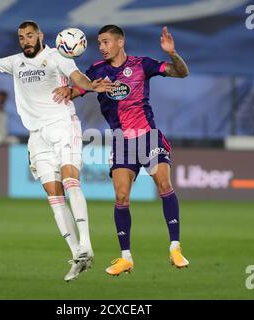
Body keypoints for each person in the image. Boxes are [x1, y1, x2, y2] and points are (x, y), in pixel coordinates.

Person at [0, 20, 113, 281]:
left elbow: (78, 78)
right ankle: (78, 254)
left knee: (70, 180)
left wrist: (91, 86)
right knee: (54, 197)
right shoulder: (15, 62)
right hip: (37, 136)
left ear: (40, 35)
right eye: (22, 37)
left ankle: (86, 243)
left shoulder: (57, 56)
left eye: (30, 36)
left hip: (63, 125)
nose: (26, 41)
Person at [54, 25, 190, 276]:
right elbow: (80, 88)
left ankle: (175, 247)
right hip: (121, 142)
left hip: (148, 137)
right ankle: (126, 257)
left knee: (163, 184)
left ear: (120, 42)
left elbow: (181, 72)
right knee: (121, 197)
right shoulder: (96, 70)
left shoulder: (142, 64)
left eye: (106, 42)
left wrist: (173, 53)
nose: (102, 47)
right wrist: (68, 91)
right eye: (99, 43)